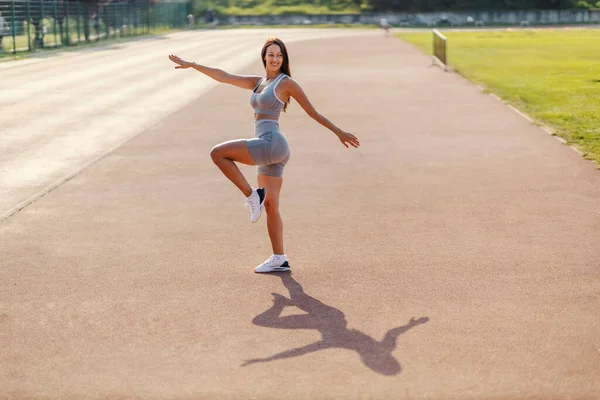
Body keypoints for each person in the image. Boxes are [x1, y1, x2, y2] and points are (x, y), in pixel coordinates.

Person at [168, 37, 360, 273]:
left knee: (218, 153)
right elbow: (224, 76)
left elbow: (312, 111)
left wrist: (338, 132)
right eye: (271, 54)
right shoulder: (259, 82)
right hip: (272, 149)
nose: (275, 58)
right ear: (264, 57)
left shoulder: (286, 83)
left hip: (271, 143)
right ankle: (279, 257)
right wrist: (193, 65)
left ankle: (251, 196)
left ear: (284, 59)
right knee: (271, 206)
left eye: (279, 55)